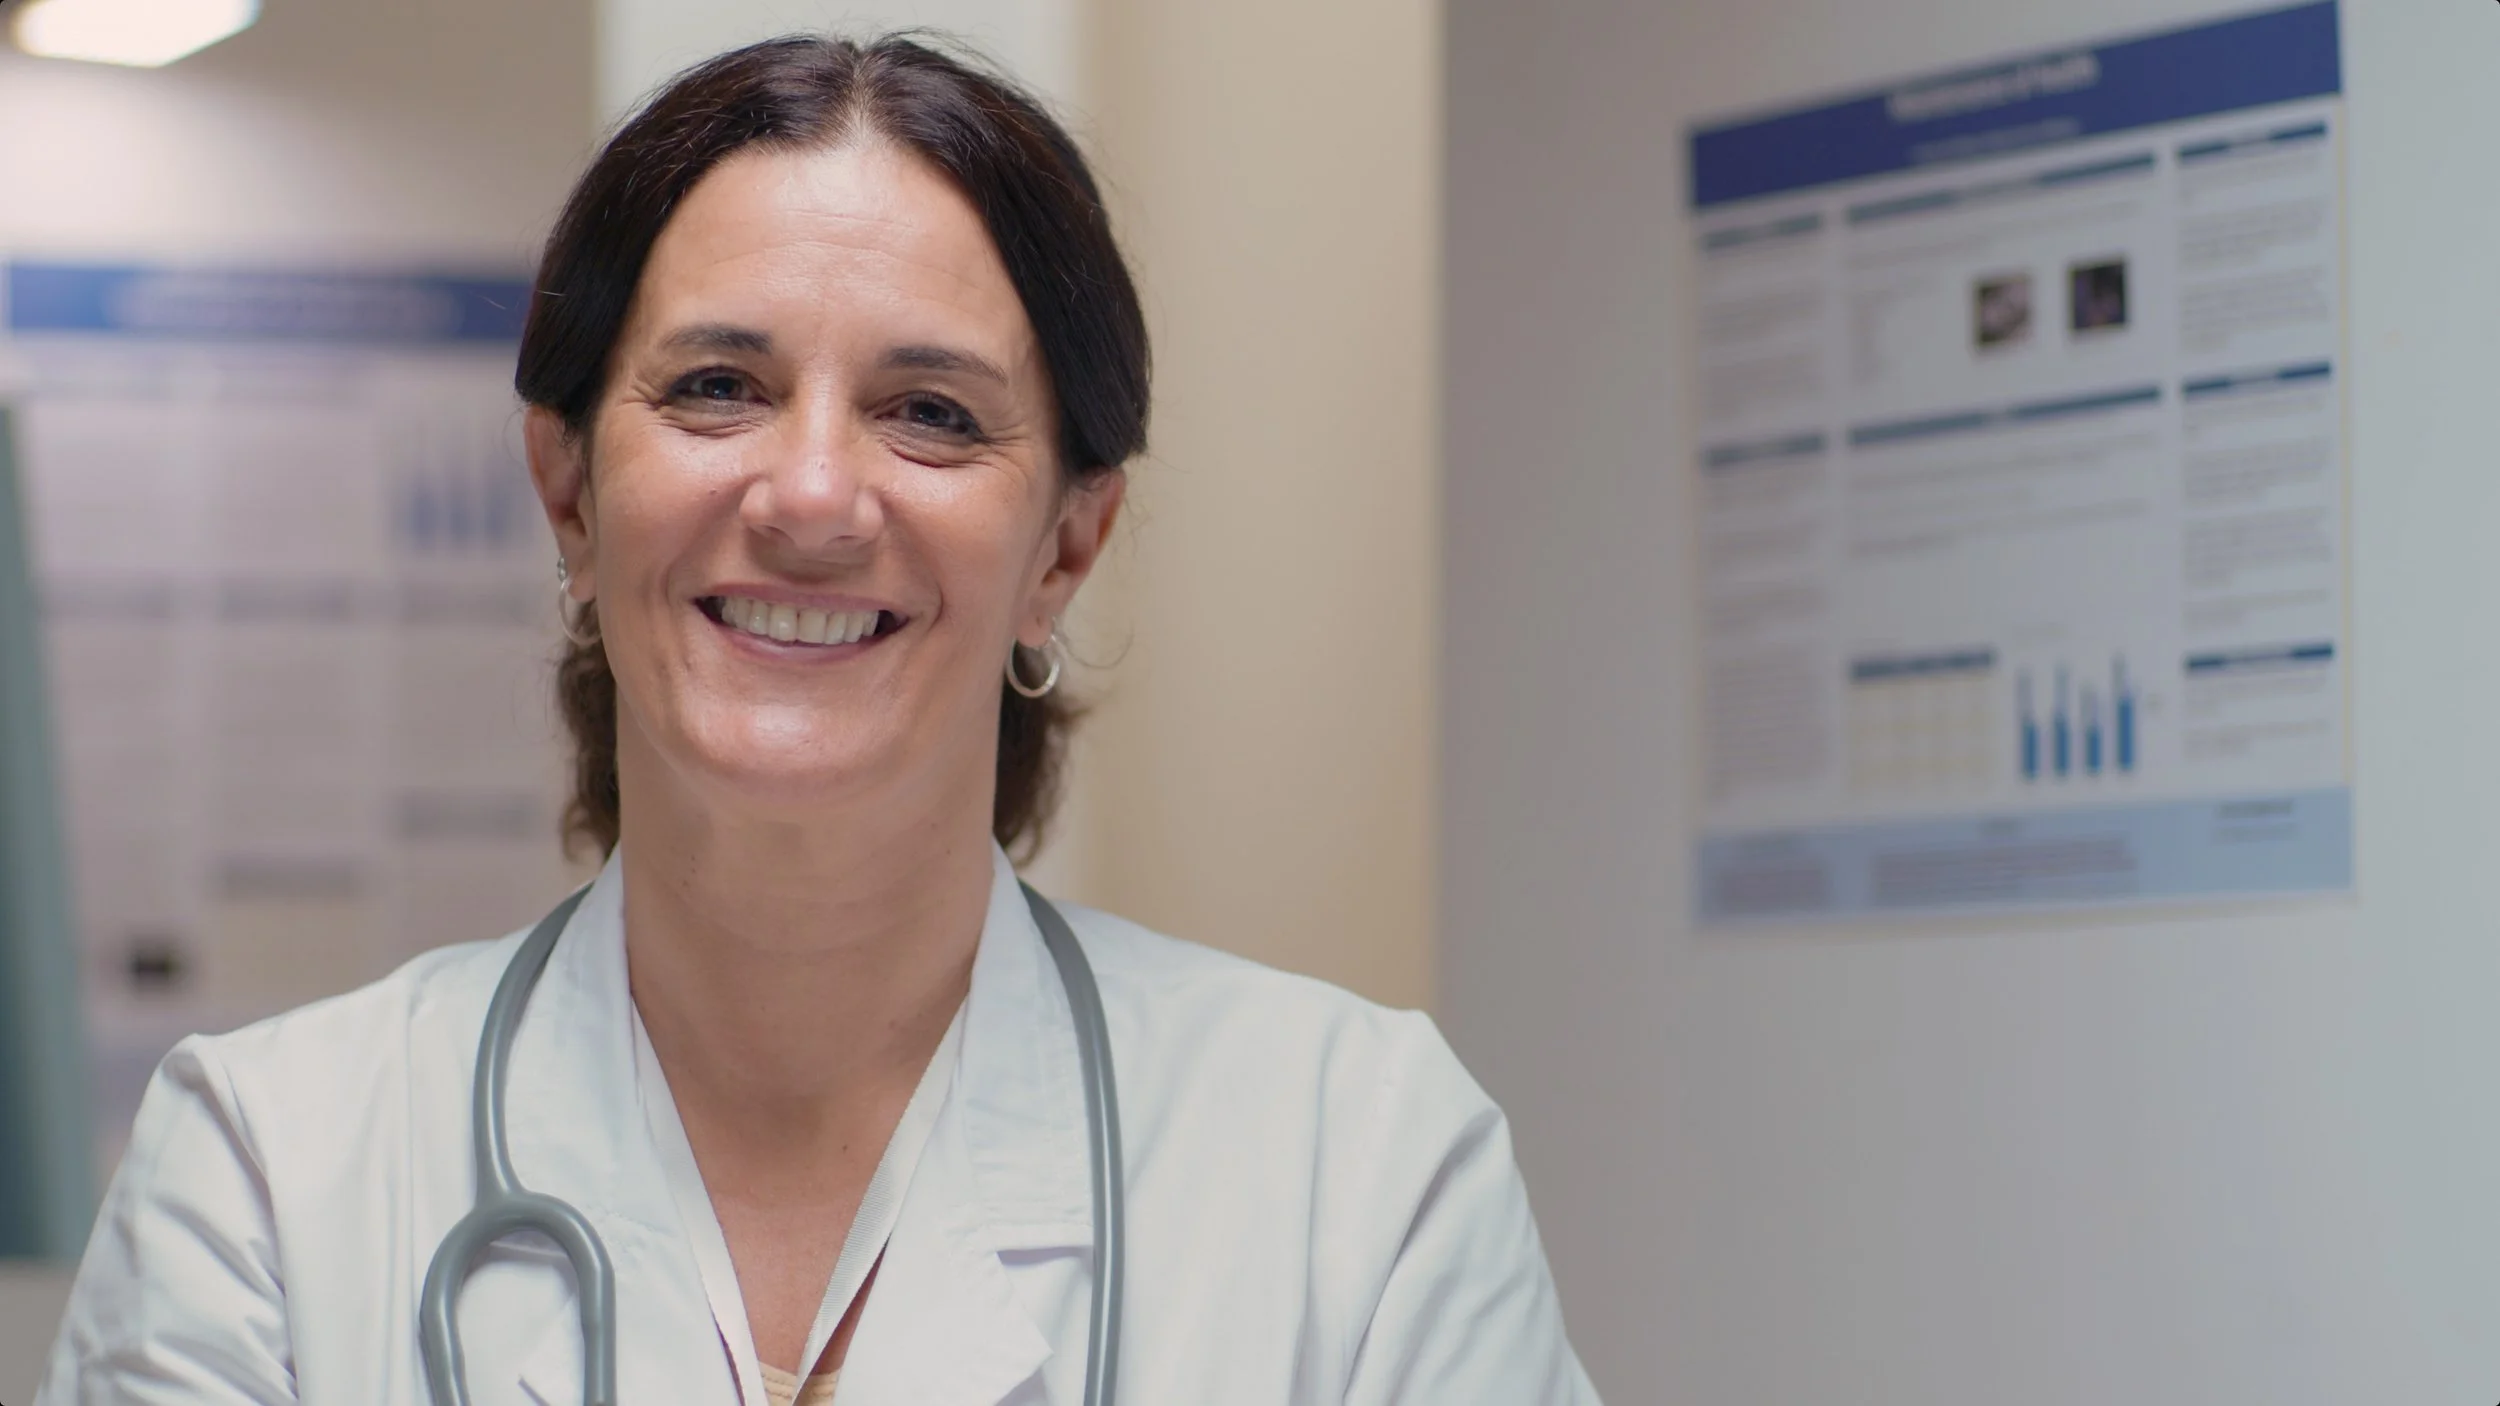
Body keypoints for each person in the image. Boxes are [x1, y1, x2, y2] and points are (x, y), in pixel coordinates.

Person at [36, 35, 1598, 1406]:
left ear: (1065, 544)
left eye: (932, 411)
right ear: (570, 491)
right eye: (718, 385)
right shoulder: (263, 1181)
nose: (810, 495)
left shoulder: (1360, 1167)